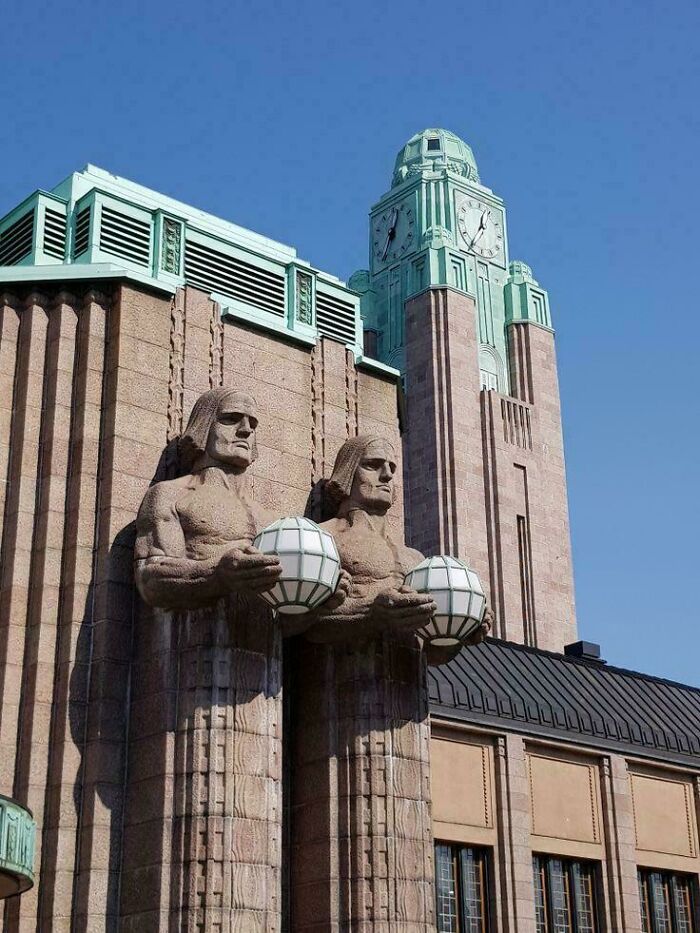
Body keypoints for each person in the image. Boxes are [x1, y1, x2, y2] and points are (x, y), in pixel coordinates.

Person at [304, 434, 491, 659]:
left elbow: (430, 653)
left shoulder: (415, 559)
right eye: (372, 465)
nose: (387, 475)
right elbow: (300, 622)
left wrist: (459, 631)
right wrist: (372, 614)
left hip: (410, 689)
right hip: (341, 681)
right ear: (348, 471)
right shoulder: (323, 538)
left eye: (392, 467)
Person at [134, 387, 283, 609]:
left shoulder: (270, 518)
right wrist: (217, 573)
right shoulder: (171, 494)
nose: (246, 430)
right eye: (231, 419)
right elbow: (151, 577)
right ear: (204, 425)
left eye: (253, 424)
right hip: (194, 634)